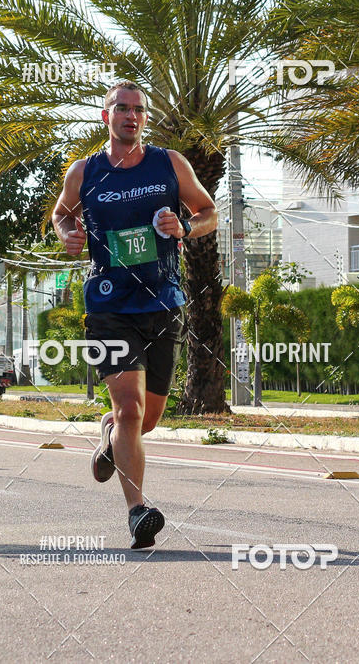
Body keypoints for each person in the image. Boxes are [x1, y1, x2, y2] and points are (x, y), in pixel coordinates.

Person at [52, 81, 217, 549]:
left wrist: (185, 225)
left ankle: (109, 437)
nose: (130, 116)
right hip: (108, 304)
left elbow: (210, 212)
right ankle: (137, 512)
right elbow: (61, 215)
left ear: (145, 119)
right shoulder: (85, 173)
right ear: (105, 117)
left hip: (163, 304)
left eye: (138, 110)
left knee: (145, 421)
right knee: (129, 407)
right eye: (121, 108)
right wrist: (69, 232)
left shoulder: (170, 165)